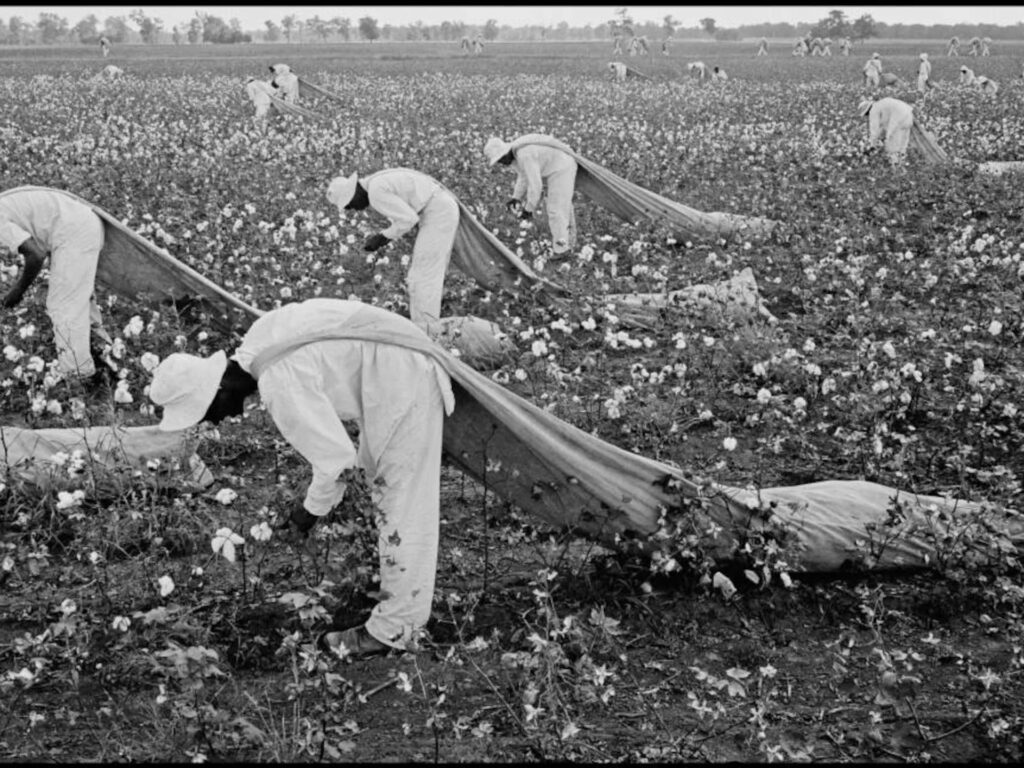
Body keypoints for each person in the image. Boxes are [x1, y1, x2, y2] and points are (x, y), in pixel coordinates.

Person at [148, 298, 456, 659]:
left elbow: (339, 464)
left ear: (217, 391)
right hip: (395, 364)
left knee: (402, 503)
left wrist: (307, 514)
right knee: (384, 487)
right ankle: (391, 588)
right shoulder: (259, 341)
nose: (214, 421)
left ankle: (396, 630)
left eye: (206, 413)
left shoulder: (278, 381)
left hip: (405, 373)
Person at [0, 187, 114, 382]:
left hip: (74, 233)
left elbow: (35, 255)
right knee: (79, 302)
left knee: (64, 306)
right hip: (81, 225)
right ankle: (102, 358)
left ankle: (80, 378)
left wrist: (18, 291)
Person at [325, 169, 459, 334]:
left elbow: (409, 219)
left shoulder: (376, 192)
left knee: (424, 275)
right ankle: (424, 327)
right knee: (422, 274)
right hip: (438, 209)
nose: (354, 209)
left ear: (353, 194)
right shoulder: (376, 182)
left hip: (438, 213)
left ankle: (428, 331)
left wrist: (382, 238)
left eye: (350, 205)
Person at [484, 135, 578, 258]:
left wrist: (528, 209)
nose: (502, 163)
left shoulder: (525, 155)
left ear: (505, 152)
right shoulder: (517, 154)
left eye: (501, 159)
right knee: (562, 207)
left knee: (556, 210)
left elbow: (535, 185)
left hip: (561, 168)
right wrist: (515, 197)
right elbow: (523, 176)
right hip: (555, 167)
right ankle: (569, 243)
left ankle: (562, 250)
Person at [859, 97, 914, 164]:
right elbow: (881, 128)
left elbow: (874, 130)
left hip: (899, 119)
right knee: (902, 143)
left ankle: (895, 165)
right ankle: (902, 160)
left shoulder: (873, 110)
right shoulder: (881, 104)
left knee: (892, 145)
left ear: (867, 111)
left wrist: (872, 145)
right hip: (909, 116)